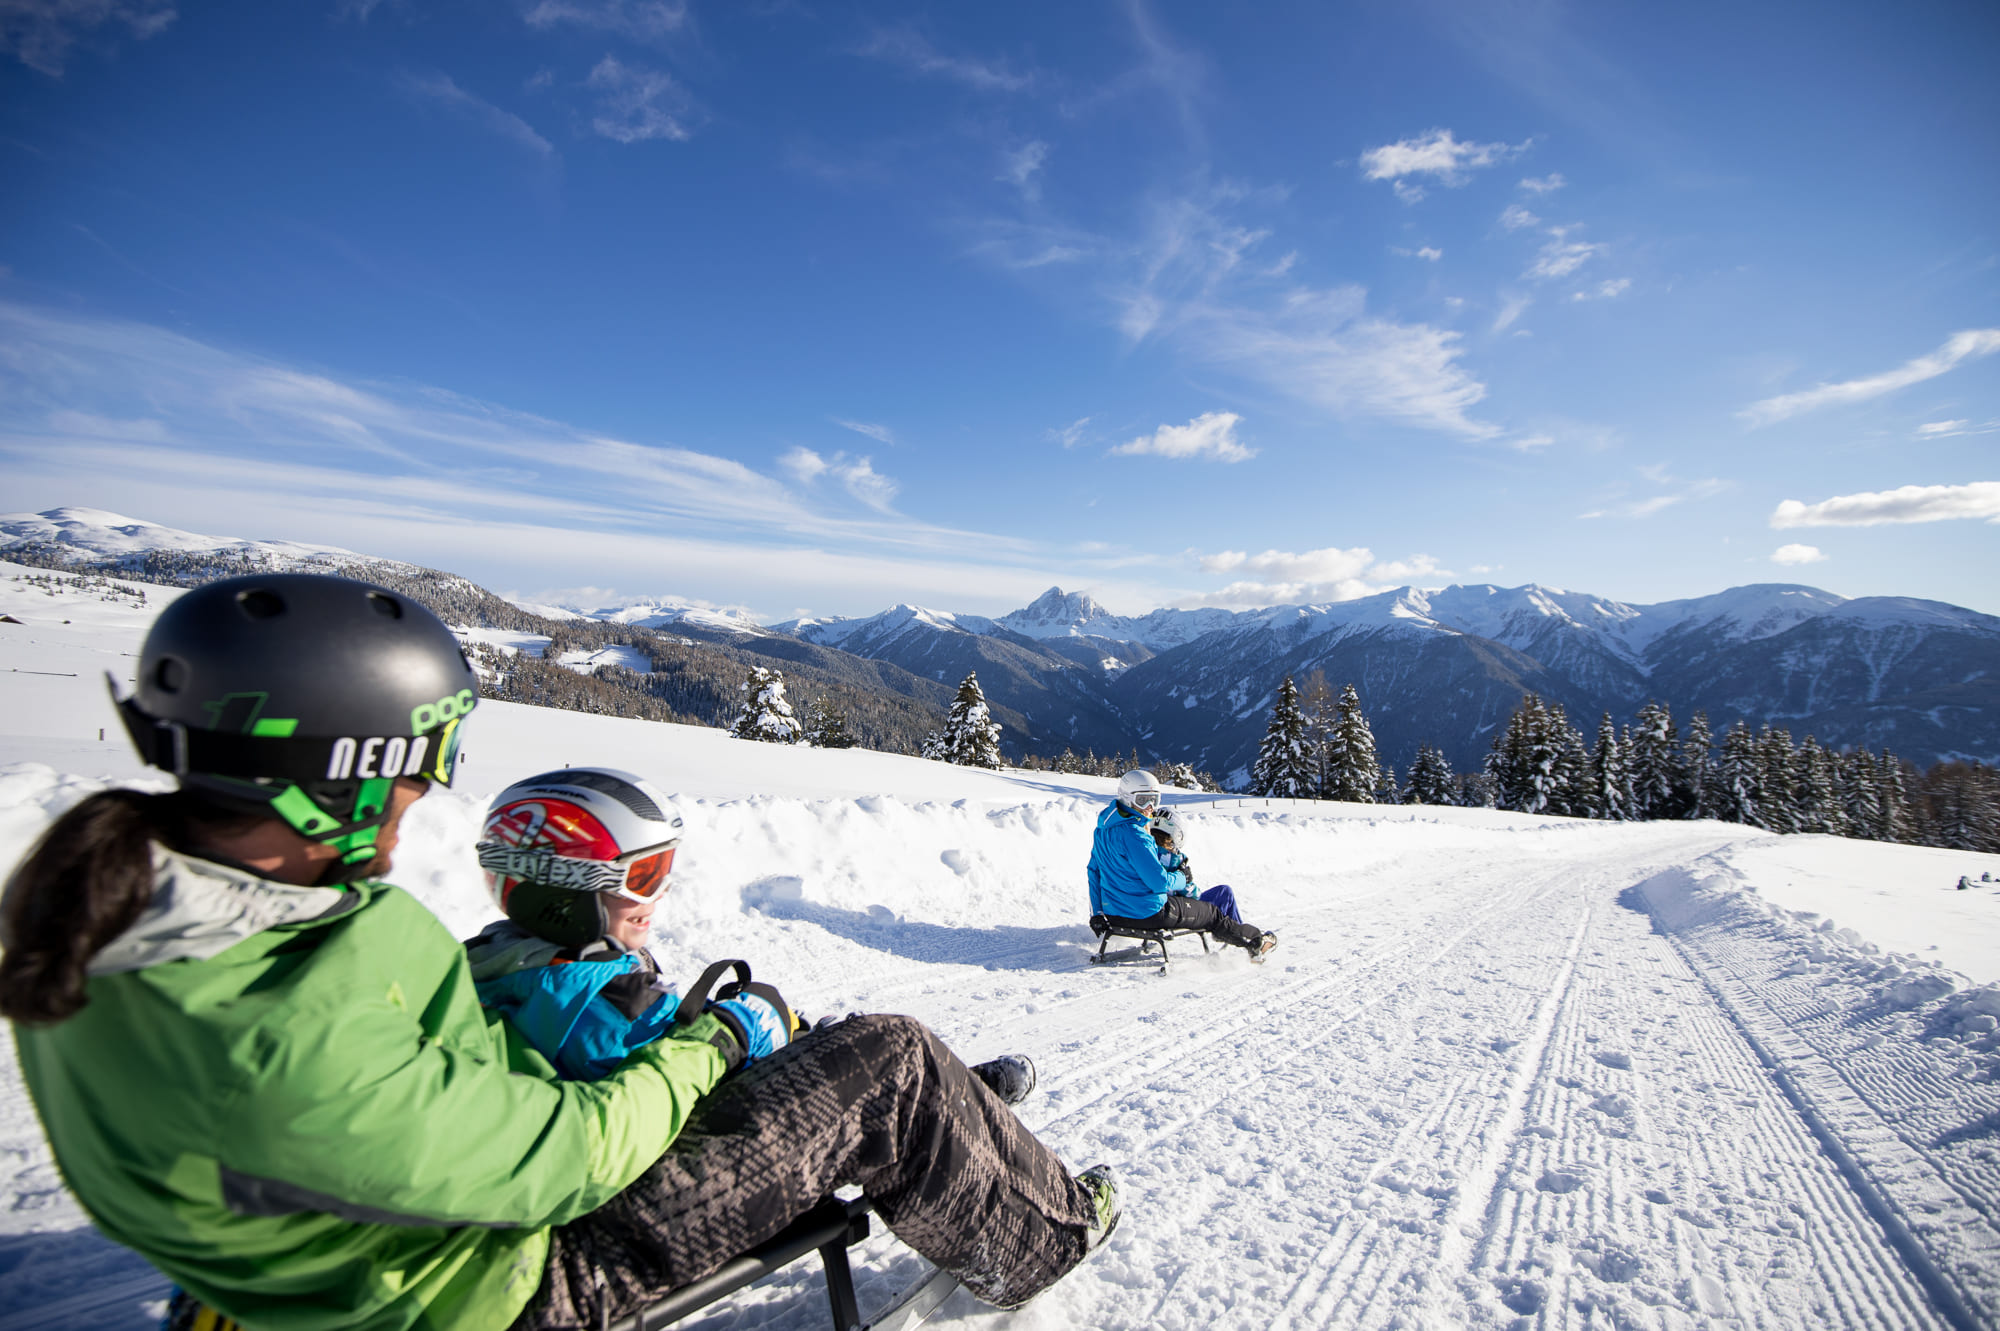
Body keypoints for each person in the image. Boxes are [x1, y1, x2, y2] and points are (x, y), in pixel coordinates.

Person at [0, 572, 1118, 1331]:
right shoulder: (273, 1038)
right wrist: (709, 1045)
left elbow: (431, 1076)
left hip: (329, 1262)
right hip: (513, 1279)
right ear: (329, 770)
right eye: (411, 765)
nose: (420, 794)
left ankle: (933, 1121)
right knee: (890, 1058)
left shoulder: (99, 930)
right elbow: (569, 1155)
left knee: (833, 1077)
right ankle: (1049, 1231)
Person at [463, 764, 1036, 1100]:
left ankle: (934, 1085)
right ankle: (937, 1100)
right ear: (567, 885)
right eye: (643, 875)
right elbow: (666, 1085)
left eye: (662, 871)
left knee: (822, 1032)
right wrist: (744, 1027)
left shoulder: (513, 968)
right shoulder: (586, 1003)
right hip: (716, 1149)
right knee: (875, 1044)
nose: (658, 895)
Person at [1087, 769, 1276, 959]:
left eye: (1155, 799)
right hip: (1149, 913)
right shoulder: (1136, 835)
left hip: (1114, 914)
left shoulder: (1102, 831)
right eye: (1143, 800)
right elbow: (1159, 883)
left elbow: (1093, 871)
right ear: (1127, 798)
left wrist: (1097, 912)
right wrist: (1182, 878)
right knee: (1211, 913)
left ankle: (1245, 939)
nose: (1150, 806)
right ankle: (1256, 942)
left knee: (1205, 908)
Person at [1147, 805, 1245, 925]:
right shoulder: (1173, 859)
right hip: (1176, 911)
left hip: (1148, 908)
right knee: (1225, 892)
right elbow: (1191, 894)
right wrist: (1187, 879)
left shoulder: (1143, 852)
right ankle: (1238, 931)